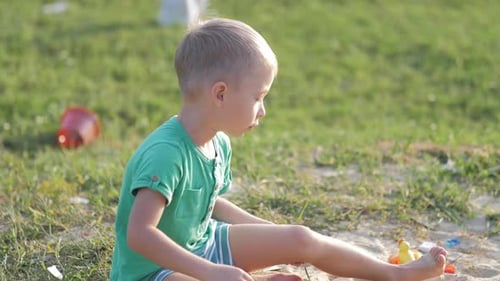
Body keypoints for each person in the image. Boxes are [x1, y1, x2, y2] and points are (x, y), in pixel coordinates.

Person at [109, 18, 448, 281]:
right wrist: (209, 272)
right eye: (258, 97)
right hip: (155, 271)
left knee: (300, 238)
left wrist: (272, 232)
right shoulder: (167, 154)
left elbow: (211, 204)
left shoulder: (218, 140)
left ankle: (393, 274)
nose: (263, 109)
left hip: (205, 245)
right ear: (221, 94)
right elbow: (140, 234)